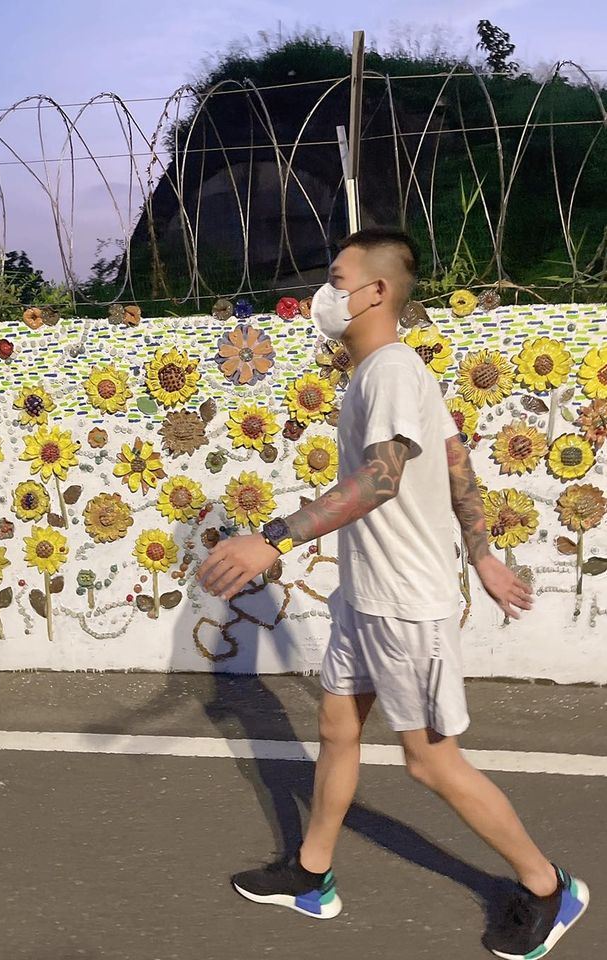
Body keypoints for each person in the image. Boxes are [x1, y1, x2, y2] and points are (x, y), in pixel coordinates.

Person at [196, 228, 589, 959]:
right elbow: (452, 457)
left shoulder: (389, 372)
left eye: (336, 276)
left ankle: (546, 887)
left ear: (374, 291)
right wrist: (482, 555)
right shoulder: (383, 372)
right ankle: (311, 876)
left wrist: (272, 538)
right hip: (366, 595)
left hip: (405, 605)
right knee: (339, 727)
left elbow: (381, 480)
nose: (324, 291)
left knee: (429, 761)